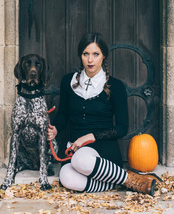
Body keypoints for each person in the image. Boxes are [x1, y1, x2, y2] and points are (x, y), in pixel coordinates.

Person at [47, 32, 157, 196]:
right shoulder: (67, 81)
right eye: (86, 54)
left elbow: (121, 128)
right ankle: (116, 182)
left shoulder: (116, 86)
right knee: (66, 177)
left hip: (103, 149)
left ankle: (132, 180)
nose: (90, 60)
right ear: (80, 55)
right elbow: (63, 116)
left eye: (95, 54)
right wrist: (55, 129)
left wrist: (90, 137)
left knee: (80, 160)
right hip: (75, 147)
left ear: (103, 56)